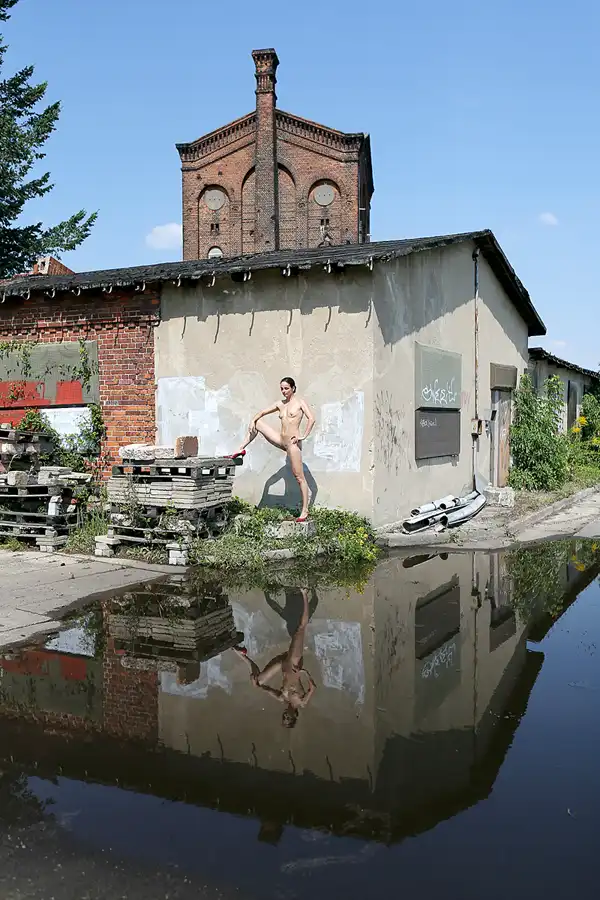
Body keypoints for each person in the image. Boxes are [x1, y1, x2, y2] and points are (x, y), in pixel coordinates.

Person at [230, 377, 315, 522]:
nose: (283, 391)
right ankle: (241, 448)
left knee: (299, 477)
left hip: (293, 444)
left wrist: (303, 437)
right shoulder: (280, 404)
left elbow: (311, 419)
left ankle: (304, 510)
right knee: (257, 423)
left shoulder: (300, 402)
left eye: (286, 388)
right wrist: (252, 420)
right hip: (280, 439)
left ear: (293, 388)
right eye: (281, 388)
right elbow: (261, 412)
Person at [234, 588, 316, 729]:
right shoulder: (301, 702)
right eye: (287, 717)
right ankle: (304, 594)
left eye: (283, 717)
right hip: (293, 662)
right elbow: (313, 688)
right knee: (301, 628)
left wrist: (257, 686)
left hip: (282, 665)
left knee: (258, 680)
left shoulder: (282, 698)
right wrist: (305, 673)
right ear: (294, 716)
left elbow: (266, 689)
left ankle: (241, 654)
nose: (285, 715)